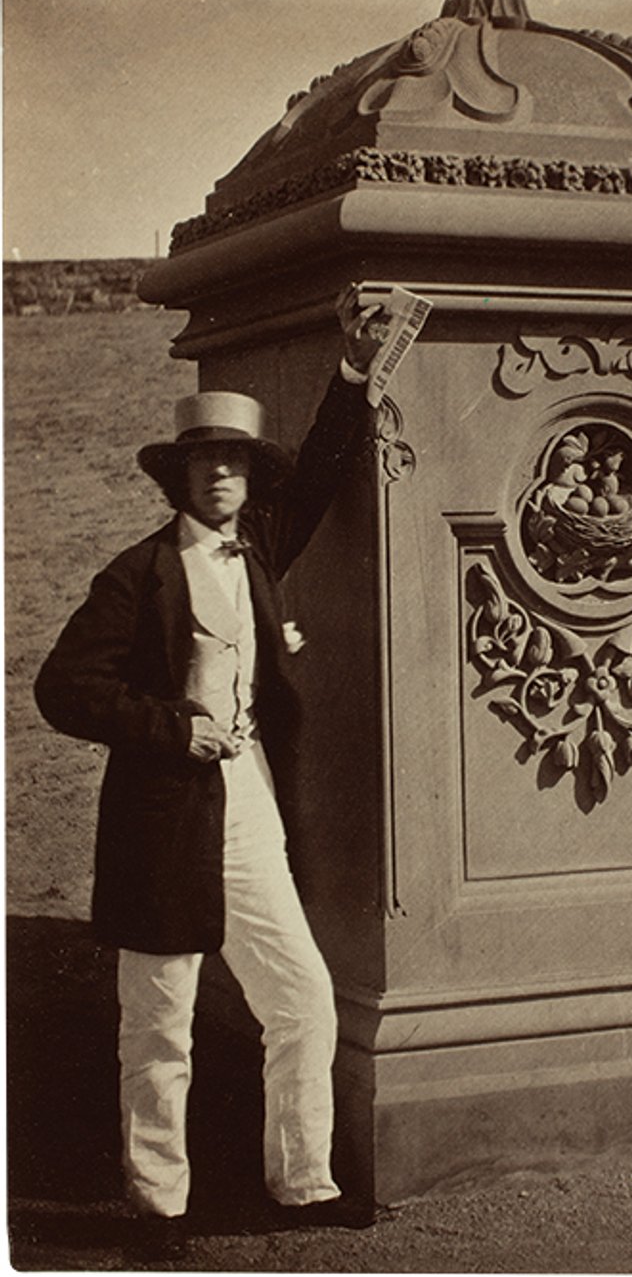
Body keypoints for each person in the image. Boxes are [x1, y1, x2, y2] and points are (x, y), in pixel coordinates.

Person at [34, 284, 388, 1256]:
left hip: (248, 805)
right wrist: (168, 728)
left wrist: (354, 370)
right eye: (206, 460)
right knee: (160, 1019)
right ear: (181, 475)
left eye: (236, 459)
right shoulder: (135, 575)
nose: (223, 472)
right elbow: (62, 687)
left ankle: (302, 1181)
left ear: (249, 473)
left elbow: (322, 471)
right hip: (161, 815)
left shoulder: (258, 545)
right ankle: (159, 1207)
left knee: (301, 995)